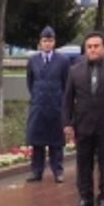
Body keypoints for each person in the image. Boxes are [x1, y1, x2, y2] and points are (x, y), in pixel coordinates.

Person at [62, 31, 104, 206]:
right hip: (83, 124)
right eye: (89, 47)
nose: (92, 50)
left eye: (96, 46)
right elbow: (68, 99)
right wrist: (67, 123)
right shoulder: (75, 70)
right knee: (84, 162)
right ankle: (85, 197)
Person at [25, 26, 71, 183]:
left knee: (56, 143)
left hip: (56, 106)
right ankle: (36, 172)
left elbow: (67, 84)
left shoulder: (63, 61)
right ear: (40, 42)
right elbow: (30, 82)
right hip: (38, 106)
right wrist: (37, 98)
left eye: (50, 40)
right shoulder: (33, 60)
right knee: (37, 142)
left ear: (54, 42)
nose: (47, 44)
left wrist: (63, 103)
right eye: (45, 40)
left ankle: (58, 171)